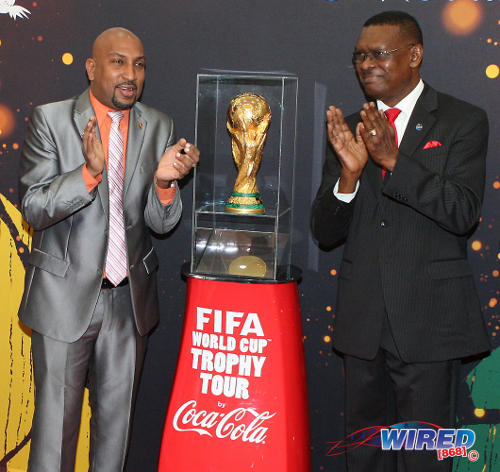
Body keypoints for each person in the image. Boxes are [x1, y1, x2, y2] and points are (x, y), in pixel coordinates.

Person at [311, 11, 490, 472]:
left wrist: (393, 160)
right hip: (363, 322)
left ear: (415, 55)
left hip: (429, 323)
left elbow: (462, 212)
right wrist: (348, 177)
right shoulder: (348, 128)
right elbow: (324, 232)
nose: (366, 64)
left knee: (425, 458)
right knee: (365, 454)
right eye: (360, 56)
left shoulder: (462, 121)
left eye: (379, 53)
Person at [18, 27, 199, 471]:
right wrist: (87, 174)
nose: (130, 75)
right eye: (119, 62)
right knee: (54, 436)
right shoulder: (51, 119)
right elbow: (35, 208)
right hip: (63, 300)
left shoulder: (158, 125)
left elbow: (161, 225)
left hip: (129, 302)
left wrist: (164, 183)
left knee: (116, 435)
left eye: (139, 64)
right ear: (92, 68)